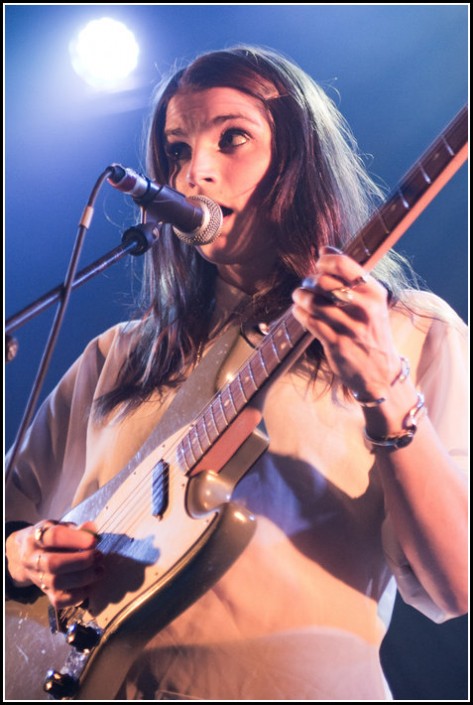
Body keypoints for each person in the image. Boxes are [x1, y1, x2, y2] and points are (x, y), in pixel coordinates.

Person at [5, 45, 468, 701]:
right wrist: (22, 554)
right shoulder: (116, 355)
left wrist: (385, 389)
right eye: (175, 150)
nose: (195, 173)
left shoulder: (411, 331)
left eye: (232, 138)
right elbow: (11, 518)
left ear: (298, 157)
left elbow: (455, 586)